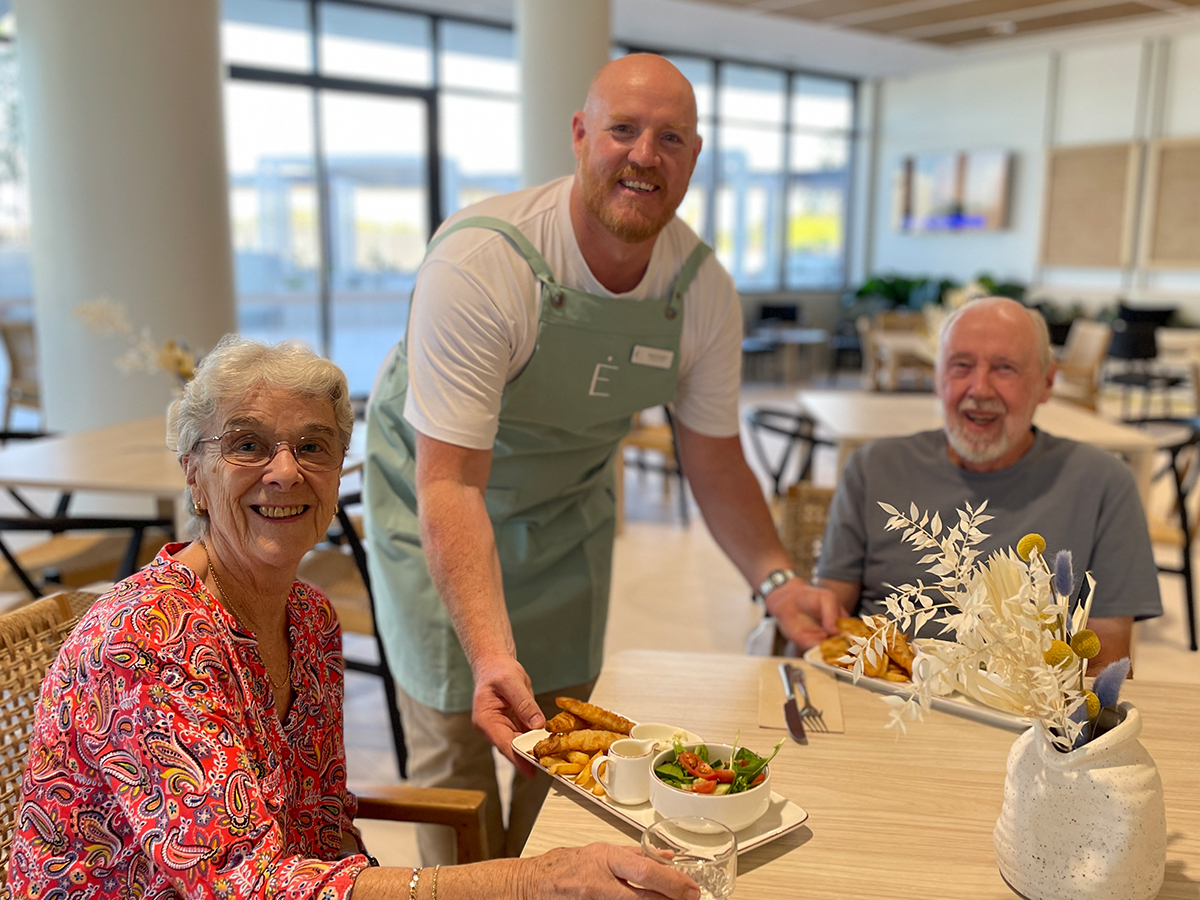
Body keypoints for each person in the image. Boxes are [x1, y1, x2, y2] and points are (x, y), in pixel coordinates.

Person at [6, 336, 697, 900]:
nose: (285, 472)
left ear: (339, 472)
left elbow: (323, 823)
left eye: (313, 447)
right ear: (194, 473)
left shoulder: (309, 618)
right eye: (248, 445)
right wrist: (522, 881)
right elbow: (239, 885)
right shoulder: (144, 640)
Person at [363, 53, 833, 861]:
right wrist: (490, 651)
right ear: (581, 135)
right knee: (458, 750)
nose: (645, 155)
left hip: (567, 516)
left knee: (567, 750)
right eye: (623, 130)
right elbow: (452, 482)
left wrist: (778, 580)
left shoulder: (700, 291)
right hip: (440, 507)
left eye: (671, 138)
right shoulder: (484, 262)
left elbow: (716, 459)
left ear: (694, 156)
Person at [786, 297, 1162, 672]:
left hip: (1027, 707)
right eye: (961, 366)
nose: (979, 389)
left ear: (1046, 382)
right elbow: (830, 620)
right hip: (880, 694)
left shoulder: (1104, 484)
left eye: (1005, 368)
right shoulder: (873, 468)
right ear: (938, 378)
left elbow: (1107, 661)